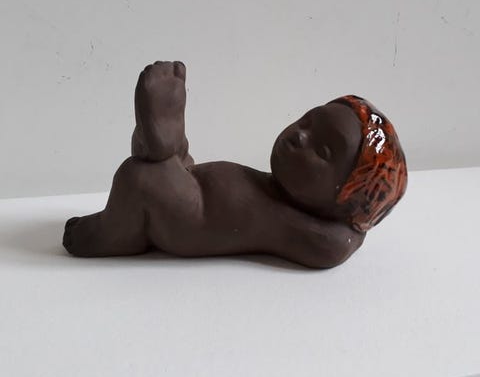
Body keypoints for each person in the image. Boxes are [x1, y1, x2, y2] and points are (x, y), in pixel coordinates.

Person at [63, 62, 407, 268]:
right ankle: (167, 144)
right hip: (194, 187)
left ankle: (106, 234)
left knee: (140, 176)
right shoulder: (283, 195)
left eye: (324, 150)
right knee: (170, 165)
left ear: (344, 198)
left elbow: (337, 245)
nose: (301, 136)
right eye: (307, 121)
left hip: (190, 224)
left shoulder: (310, 232)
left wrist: (356, 221)